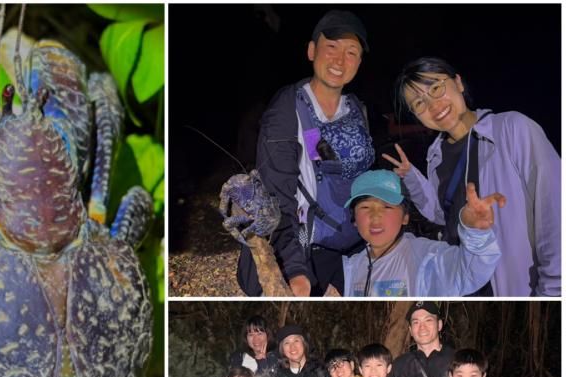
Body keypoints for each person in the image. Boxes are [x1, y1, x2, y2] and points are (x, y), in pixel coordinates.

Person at [385, 57, 561, 297]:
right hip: (464, 287)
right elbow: (441, 214)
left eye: (436, 88)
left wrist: (554, 290)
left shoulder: (512, 129)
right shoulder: (436, 156)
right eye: (419, 103)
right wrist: (412, 178)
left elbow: (555, 209)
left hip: (517, 288)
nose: (434, 106)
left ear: (458, 82)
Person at [238, 10, 375, 297]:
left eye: (351, 52)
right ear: (312, 51)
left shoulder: (356, 110)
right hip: (304, 244)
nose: (340, 60)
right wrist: (297, 270)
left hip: (354, 245)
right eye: (332, 47)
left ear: (360, 62)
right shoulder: (286, 112)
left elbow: (356, 182)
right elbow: (277, 197)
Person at [342, 169, 503, 296]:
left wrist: (475, 232)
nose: (375, 215)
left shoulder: (428, 257)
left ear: (405, 217)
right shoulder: (350, 267)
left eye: (387, 206)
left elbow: (469, 272)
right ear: (354, 219)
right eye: (365, 207)